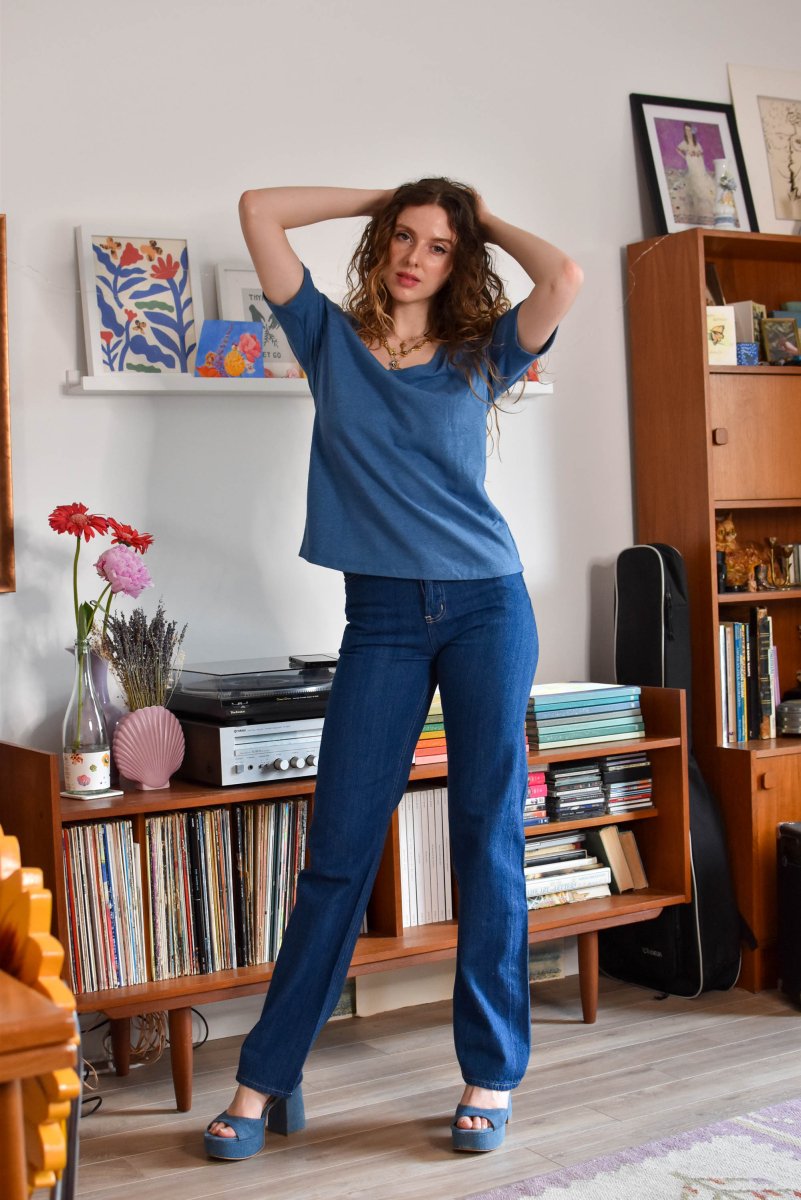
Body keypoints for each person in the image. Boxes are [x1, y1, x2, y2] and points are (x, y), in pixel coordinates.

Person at [204, 178, 582, 1160]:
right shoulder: (325, 338)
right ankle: (265, 1079)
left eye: (438, 245)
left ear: (460, 263)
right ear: (382, 245)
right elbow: (258, 208)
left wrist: (474, 213)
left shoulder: (480, 352)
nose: (416, 256)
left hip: (487, 607)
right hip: (380, 619)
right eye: (404, 238)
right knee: (338, 853)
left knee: (486, 838)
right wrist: (389, 195)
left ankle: (489, 1075)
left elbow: (564, 276)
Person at [676, 123, 715, 225]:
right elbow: (678, 149)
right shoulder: (684, 143)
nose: (688, 132)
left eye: (689, 130)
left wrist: (697, 153)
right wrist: (686, 156)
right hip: (691, 161)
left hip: (698, 161)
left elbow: (701, 152)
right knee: (694, 176)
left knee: (702, 175)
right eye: (686, 130)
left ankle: (706, 195)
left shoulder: (695, 142)